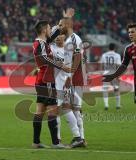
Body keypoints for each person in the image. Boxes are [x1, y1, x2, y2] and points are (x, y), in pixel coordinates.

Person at [31, 19, 72, 149]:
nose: (50, 30)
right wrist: (61, 66)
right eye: (49, 28)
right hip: (47, 80)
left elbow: (53, 36)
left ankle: (36, 142)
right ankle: (56, 143)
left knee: (40, 111)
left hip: (41, 80)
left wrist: (61, 27)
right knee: (53, 111)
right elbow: (44, 58)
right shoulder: (41, 43)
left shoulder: (41, 42)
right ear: (44, 30)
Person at [59, 9, 87, 147]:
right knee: (74, 108)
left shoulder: (75, 39)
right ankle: (81, 138)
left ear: (67, 25)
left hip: (74, 77)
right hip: (70, 77)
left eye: (60, 25)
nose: (59, 28)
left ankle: (80, 138)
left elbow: (77, 58)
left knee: (71, 107)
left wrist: (69, 76)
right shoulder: (68, 40)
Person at [51, 32, 83, 148]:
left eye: (60, 35)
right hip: (54, 84)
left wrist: (69, 79)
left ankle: (61, 139)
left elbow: (71, 67)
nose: (58, 37)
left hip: (62, 85)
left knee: (59, 111)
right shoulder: (52, 48)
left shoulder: (68, 51)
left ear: (65, 37)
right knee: (61, 111)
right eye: (56, 36)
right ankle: (76, 137)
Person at [100, 43, 122, 110]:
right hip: (114, 73)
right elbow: (119, 66)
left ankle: (106, 105)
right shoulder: (117, 55)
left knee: (105, 90)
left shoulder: (104, 55)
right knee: (116, 89)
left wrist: (102, 73)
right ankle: (118, 105)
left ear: (108, 48)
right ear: (114, 48)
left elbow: (102, 65)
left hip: (106, 73)